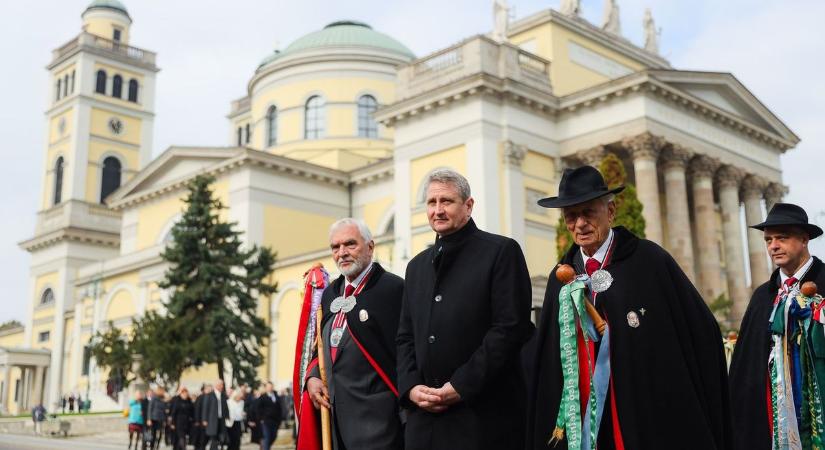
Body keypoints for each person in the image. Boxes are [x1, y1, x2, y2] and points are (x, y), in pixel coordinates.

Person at [525, 165, 732, 449]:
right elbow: (548, 358)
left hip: (639, 407)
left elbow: (700, 330)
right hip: (581, 411)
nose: (580, 224)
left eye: (588, 213)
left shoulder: (649, 262)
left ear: (610, 212)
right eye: (571, 216)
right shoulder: (560, 276)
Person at [397, 169, 533, 450]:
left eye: (446, 201)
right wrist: (411, 387)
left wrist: (461, 385)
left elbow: (509, 329)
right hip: (425, 423)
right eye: (431, 203)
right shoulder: (416, 267)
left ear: (468, 206)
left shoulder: (500, 252)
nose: (438, 210)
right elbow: (405, 337)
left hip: (483, 418)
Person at [729, 203, 825, 449]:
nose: (773, 246)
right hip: (771, 423)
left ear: (804, 239)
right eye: (768, 239)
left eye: (782, 237)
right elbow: (745, 367)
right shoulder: (763, 297)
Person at [304, 218, 405, 450]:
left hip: (380, 425)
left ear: (370, 247)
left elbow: (406, 353)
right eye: (335, 247)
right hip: (336, 421)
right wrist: (313, 376)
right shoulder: (330, 294)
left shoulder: (393, 289)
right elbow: (319, 346)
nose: (342, 253)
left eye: (350, 244)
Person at [201, 379, 229, 450]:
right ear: (216, 385)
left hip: (221, 420)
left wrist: (227, 416)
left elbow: (225, 407)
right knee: (214, 438)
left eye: (222, 384)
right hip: (212, 420)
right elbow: (205, 408)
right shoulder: (210, 395)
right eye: (221, 384)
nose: (222, 386)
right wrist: (204, 419)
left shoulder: (223, 395)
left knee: (221, 437)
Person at [256, 382, 283, 450]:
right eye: (268, 387)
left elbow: (280, 409)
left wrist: (280, 421)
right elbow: (258, 409)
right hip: (266, 422)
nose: (270, 388)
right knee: (266, 438)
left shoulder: (276, 397)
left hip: (275, 422)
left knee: (273, 437)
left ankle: (265, 446)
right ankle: (265, 447)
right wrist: (260, 419)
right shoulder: (263, 397)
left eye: (271, 387)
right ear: (266, 388)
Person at [192, 384, 211, 450]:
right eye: (208, 389)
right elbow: (197, 409)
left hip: (206, 423)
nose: (209, 390)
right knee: (200, 439)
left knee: (204, 439)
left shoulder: (210, 397)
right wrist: (197, 421)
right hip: (200, 422)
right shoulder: (200, 397)